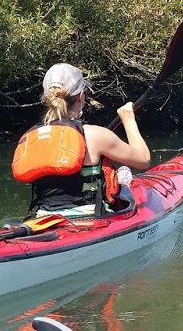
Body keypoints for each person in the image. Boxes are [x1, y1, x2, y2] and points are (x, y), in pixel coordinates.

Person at [12, 63, 150, 217]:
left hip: (42, 219)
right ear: (81, 95)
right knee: (123, 178)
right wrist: (128, 119)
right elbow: (144, 160)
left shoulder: (30, 138)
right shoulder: (95, 135)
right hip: (90, 221)